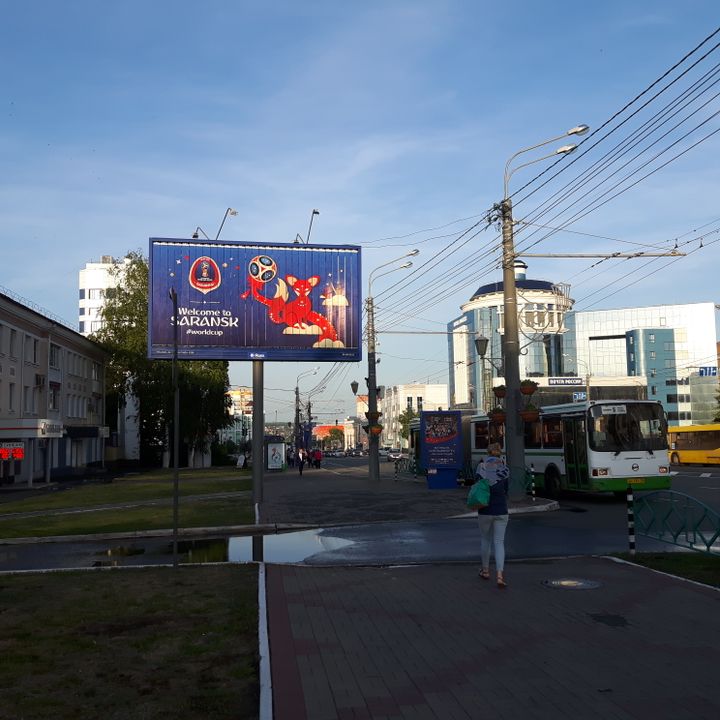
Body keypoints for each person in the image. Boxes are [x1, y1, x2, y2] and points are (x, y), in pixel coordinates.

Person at [475, 442, 510, 588]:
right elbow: (506, 489)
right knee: (499, 542)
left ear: (488, 453)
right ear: (500, 453)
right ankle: (500, 575)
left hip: (485, 509)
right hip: (501, 509)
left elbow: (477, 486)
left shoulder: (481, 467)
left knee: (485, 540)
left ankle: (485, 571)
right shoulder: (504, 467)